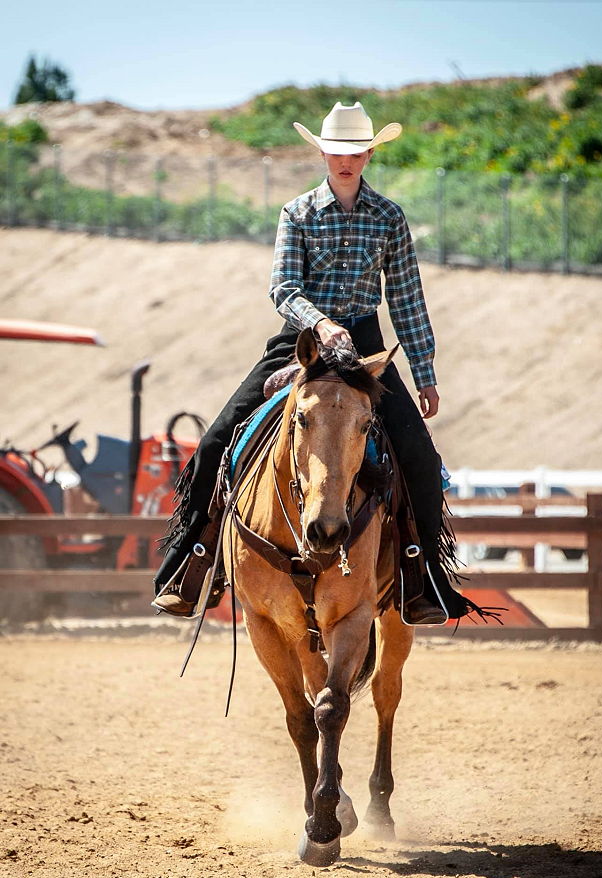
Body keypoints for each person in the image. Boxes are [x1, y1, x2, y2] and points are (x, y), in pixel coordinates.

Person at [153, 101, 473, 624]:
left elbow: (407, 299)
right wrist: (321, 324)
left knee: (420, 456)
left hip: (365, 347)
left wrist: (425, 373)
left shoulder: (389, 217)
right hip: (300, 343)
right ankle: (191, 563)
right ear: (323, 153)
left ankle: (423, 577)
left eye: (355, 152)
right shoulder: (297, 212)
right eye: (337, 152)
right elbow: (284, 288)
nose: (346, 161)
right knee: (215, 443)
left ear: (369, 155)